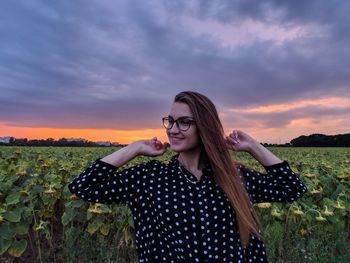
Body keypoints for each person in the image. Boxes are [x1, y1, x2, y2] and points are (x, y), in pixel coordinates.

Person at [68, 91, 308, 262]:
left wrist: (253, 146)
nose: (173, 129)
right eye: (170, 121)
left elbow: (292, 188)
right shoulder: (150, 178)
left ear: (205, 127)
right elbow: (84, 186)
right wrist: (135, 148)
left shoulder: (234, 177)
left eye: (184, 123)